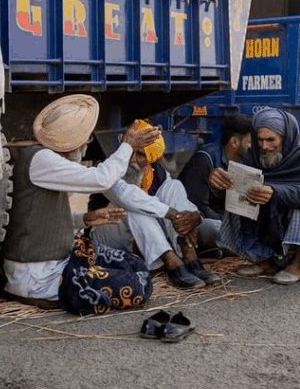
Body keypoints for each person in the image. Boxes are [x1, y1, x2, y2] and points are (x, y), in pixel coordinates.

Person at [0, 94, 162, 309]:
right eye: (85, 139)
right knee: (138, 285)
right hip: (37, 278)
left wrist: (84, 219)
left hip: (49, 264)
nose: (86, 144)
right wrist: (128, 146)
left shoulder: (41, 157)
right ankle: (46, 294)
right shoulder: (41, 160)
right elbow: (101, 179)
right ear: (72, 142)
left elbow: (37, 218)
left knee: (136, 265)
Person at [89, 120, 222, 290]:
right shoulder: (109, 167)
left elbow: (176, 196)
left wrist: (191, 216)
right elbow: (129, 196)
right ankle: (172, 262)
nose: (134, 159)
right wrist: (172, 214)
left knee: (174, 187)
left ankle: (189, 253)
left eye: (142, 155)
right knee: (134, 207)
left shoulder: (154, 172)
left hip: (139, 238)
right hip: (108, 238)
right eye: (133, 151)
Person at [213, 107, 300, 285]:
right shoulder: (253, 158)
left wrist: (277, 192)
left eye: (271, 140)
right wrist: (220, 182)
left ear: (286, 139)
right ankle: (266, 260)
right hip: (273, 224)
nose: (264, 147)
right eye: (260, 140)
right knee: (245, 195)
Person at [177, 114, 253, 255]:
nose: (253, 147)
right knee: (214, 229)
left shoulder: (245, 162)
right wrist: (229, 225)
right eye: (250, 142)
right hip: (202, 222)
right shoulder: (204, 159)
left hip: (225, 221)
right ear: (235, 142)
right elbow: (199, 208)